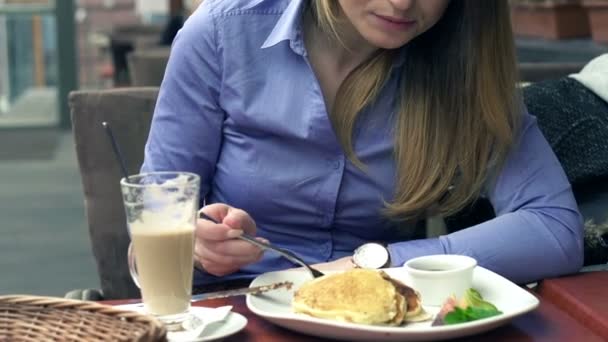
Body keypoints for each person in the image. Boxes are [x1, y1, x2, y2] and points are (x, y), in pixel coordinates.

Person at [142, 0, 584, 288]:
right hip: (233, 312)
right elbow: (144, 248)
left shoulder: (462, 59)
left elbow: (555, 230)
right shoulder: (221, 35)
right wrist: (196, 248)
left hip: (383, 315)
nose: (403, 2)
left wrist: (374, 263)